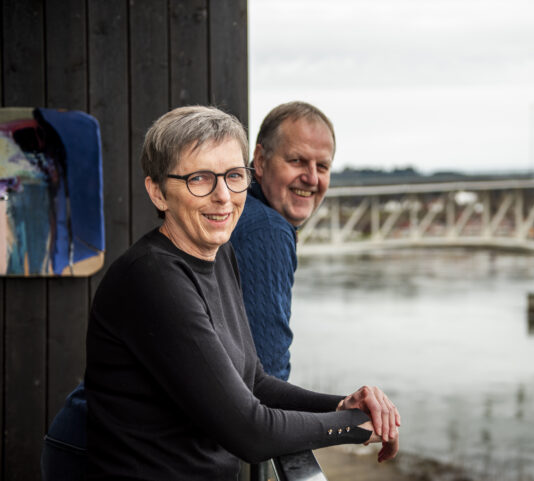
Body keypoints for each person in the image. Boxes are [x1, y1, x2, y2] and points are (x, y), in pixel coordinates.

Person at [48, 106, 400, 480]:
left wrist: (344, 404)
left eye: (233, 176)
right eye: (200, 178)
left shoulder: (220, 253)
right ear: (158, 192)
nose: (223, 196)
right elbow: (249, 432)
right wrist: (355, 426)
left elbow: (255, 381)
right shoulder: (153, 278)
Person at [230, 101, 334, 380]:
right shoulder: (268, 230)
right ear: (261, 161)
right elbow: (266, 374)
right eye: (297, 161)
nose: (311, 178)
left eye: (322, 166)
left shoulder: (235, 209)